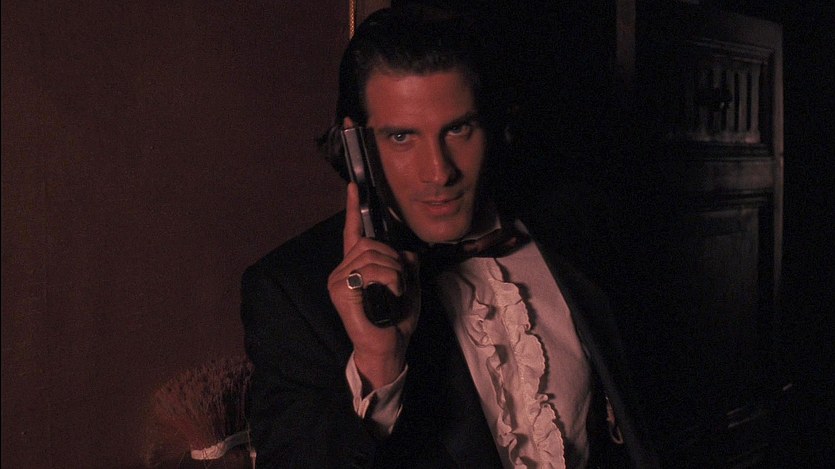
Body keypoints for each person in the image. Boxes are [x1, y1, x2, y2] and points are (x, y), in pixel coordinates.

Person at [242, 7, 659, 468]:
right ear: (355, 146)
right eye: (402, 137)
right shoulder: (291, 293)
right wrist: (377, 365)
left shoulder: (577, 226)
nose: (439, 172)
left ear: (493, 124)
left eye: (459, 129)